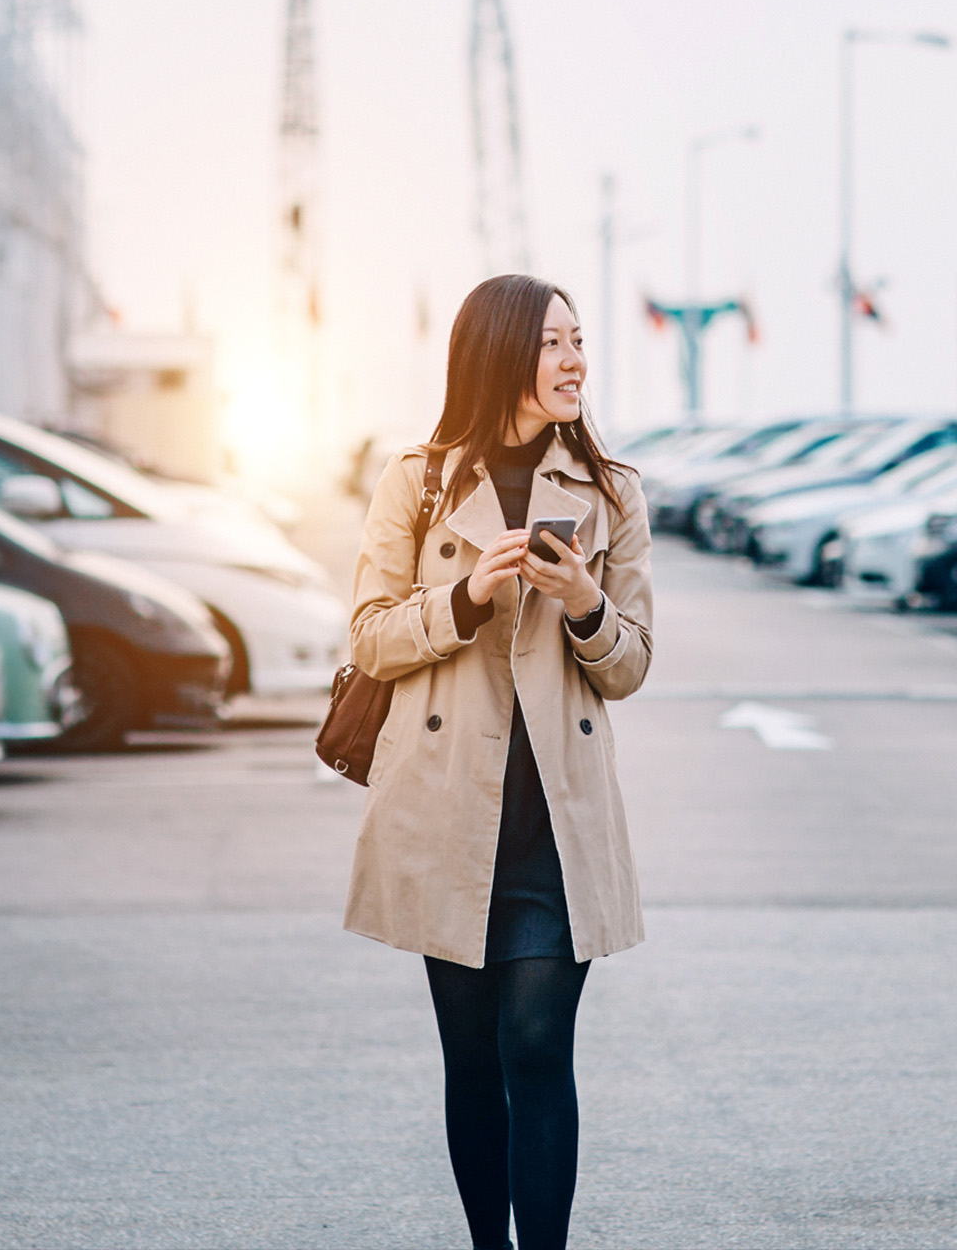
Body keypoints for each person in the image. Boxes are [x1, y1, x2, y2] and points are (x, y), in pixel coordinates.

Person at [345, 273, 654, 1250]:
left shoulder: (610, 492)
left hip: (556, 826)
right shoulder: (419, 482)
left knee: (535, 1043)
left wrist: (584, 608)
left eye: (579, 341)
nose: (576, 361)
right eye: (555, 343)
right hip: (449, 815)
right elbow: (369, 639)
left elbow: (633, 664)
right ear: (502, 354)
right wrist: (467, 597)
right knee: (473, 1059)